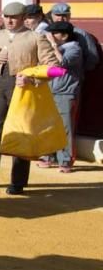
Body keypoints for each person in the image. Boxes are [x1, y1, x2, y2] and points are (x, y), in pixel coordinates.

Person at [0, 1, 59, 195]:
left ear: (23, 18)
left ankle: (18, 181)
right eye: (6, 17)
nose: (9, 21)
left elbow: (50, 67)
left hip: (23, 89)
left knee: (21, 132)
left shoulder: (36, 38)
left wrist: (30, 77)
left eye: (14, 17)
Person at [38, 21, 83, 173]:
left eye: (54, 33)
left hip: (66, 93)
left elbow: (62, 63)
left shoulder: (74, 49)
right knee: (48, 125)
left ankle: (65, 160)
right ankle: (47, 156)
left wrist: (53, 45)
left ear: (64, 35)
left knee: (65, 128)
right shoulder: (59, 47)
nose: (50, 36)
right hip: (51, 91)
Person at [49, 2, 100, 73]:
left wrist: (77, 73)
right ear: (52, 15)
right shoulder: (46, 32)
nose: (60, 18)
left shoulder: (80, 33)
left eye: (64, 15)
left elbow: (92, 58)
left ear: (69, 16)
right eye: (58, 15)